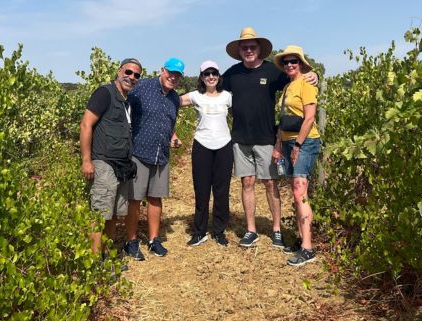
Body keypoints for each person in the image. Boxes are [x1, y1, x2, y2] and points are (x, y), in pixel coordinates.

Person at [222, 27, 318, 248]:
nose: (248, 50)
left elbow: (298, 78)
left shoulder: (273, 72)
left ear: (259, 50)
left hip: (267, 137)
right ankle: (251, 230)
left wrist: (314, 74)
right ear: (240, 50)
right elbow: (210, 87)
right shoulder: (232, 74)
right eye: (244, 47)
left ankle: (276, 229)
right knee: (247, 182)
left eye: (252, 47)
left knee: (270, 183)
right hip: (240, 137)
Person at [79, 58, 142, 261]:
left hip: (121, 166)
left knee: (113, 215)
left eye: (136, 75)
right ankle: (94, 264)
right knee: (99, 215)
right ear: (119, 71)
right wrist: (86, 161)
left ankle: (106, 257)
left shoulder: (128, 101)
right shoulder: (104, 93)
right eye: (128, 72)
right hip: (103, 163)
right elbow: (86, 125)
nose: (131, 77)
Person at [123, 57, 185, 260]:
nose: (173, 78)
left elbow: (169, 122)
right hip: (139, 152)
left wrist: (173, 136)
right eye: (170, 73)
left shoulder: (175, 98)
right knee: (134, 199)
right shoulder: (143, 86)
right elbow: (123, 103)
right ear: (162, 70)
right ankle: (130, 242)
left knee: (155, 198)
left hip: (161, 155)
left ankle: (153, 240)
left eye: (177, 75)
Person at [272, 45, 321, 266]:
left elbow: (310, 118)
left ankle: (308, 249)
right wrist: (278, 145)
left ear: (301, 63)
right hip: (289, 141)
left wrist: (298, 146)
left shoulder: (307, 85)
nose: (290, 65)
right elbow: (284, 120)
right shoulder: (288, 87)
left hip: (305, 141)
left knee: (300, 190)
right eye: (286, 62)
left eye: (294, 61)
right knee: (295, 190)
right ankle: (302, 239)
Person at [179, 61, 233, 247]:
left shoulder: (227, 96)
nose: (211, 77)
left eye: (214, 73)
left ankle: (219, 231)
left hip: (224, 145)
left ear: (219, 76)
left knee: (222, 190)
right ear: (201, 77)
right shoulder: (195, 96)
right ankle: (199, 231)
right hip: (202, 145)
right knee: (201, 190)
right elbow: (171, 102)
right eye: (207, 73)